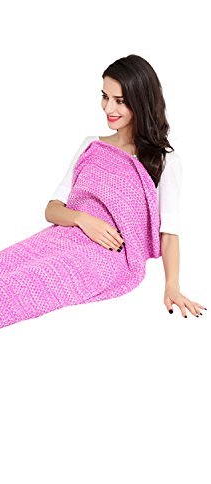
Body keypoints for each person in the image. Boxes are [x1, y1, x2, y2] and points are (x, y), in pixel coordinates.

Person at [44, 54, 206, 319]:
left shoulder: (164, 161)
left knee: (33, 285)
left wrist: (172, 286)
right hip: (59, 242)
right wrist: (84, 220)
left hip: (107, 259)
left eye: (119, 101)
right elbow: (52, 210)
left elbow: (169, 232)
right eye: (105, 97)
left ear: (140, 102)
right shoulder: (91, 146)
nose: (108, 108)